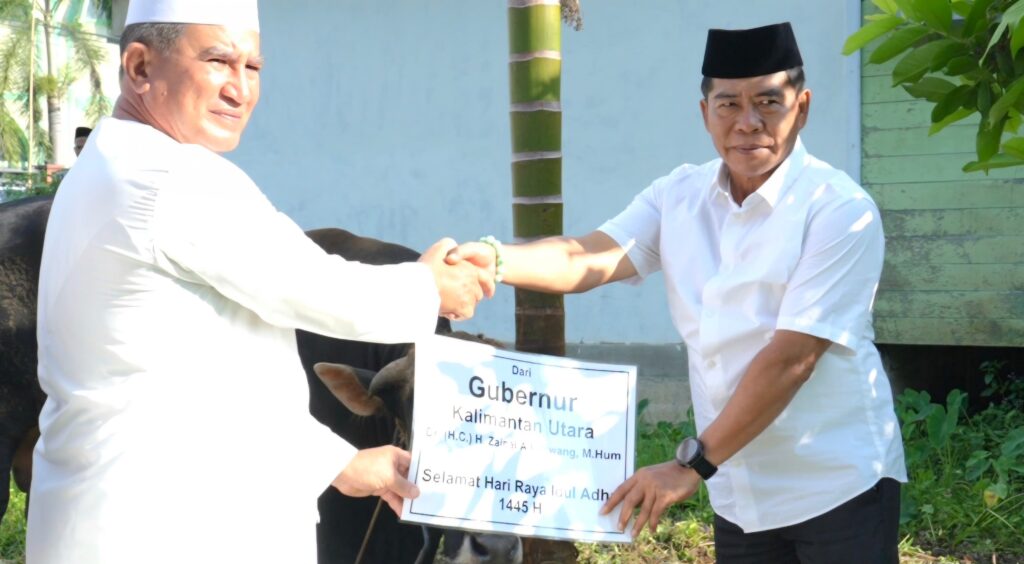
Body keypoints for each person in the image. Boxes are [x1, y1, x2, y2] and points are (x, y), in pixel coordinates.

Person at [28, 1, 492, 563]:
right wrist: (428, 287)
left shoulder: (111, 161)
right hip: (166, 529)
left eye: (253, 68)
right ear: (141, 67)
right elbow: (316, 288)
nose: (240, 89)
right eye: (219, 60)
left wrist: (339, 463)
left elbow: (198, 387)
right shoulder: (170, 177)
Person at [451, 22, 906, 564]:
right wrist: (494, 260)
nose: (748, 123)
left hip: (835, 485)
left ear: (801, 107)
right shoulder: (679, 196)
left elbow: (792, 359)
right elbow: (588, 257)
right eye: (728, 104)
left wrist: (691, 465)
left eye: (768, 102)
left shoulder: (838, 210)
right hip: (739, 493)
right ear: (704, 113)